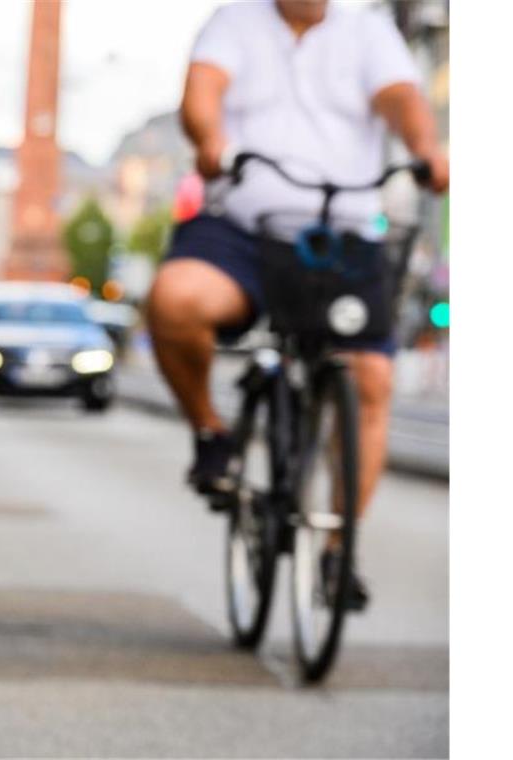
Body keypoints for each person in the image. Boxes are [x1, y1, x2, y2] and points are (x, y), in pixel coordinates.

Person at [145, 0, 448, 608]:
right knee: (174, 299)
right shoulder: (234, 22)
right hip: (243, 227)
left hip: (342, 234)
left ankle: (338, 548)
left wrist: (426, 149)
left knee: (371, 377)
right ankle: (210, 430)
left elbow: (400, 98)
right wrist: (209, 140)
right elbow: (202, 92)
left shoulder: (368, 32)